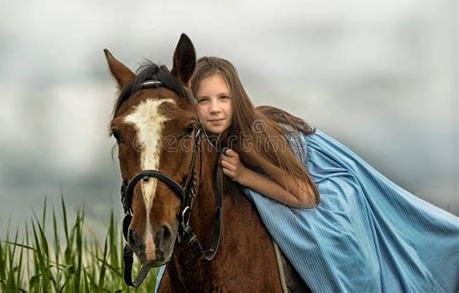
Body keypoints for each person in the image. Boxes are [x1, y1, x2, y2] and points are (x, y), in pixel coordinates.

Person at [158, 56, 459, 292]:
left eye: (223, 98)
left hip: (320, 180)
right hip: (288, 175)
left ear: (237, 99)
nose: (214, 109)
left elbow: (306, 195)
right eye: (204, 100)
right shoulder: (200, 137)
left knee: (314, 236)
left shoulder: (250, 137)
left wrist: (245, 176)